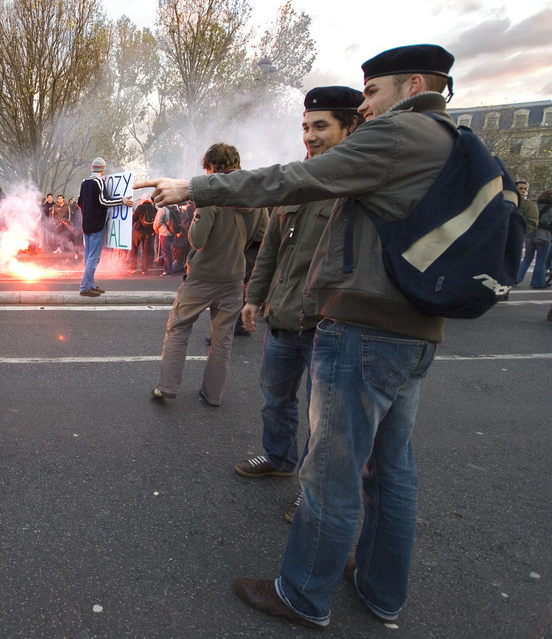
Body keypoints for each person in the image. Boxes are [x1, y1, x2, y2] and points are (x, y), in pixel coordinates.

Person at [138, 44, 466, 630]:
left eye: (371, 93)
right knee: (390, 471)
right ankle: (380, 591)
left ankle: (304, 594)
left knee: (333, 474)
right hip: (413, 328)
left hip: (366, 328)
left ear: (414, 83)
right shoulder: (450, 139)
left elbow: (291, 179)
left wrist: (196, 187)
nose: (367, 108)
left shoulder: (395, 136)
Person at [234, 86, 365, 524]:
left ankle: (312, 494)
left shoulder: (358, 183)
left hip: (330, 324)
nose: (309, 136)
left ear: (352, 126)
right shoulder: (296, 183)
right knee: (275, 397)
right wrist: (254, 298)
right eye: (306, 126)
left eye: (321, 126)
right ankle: (278, 457)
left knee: (324, 419)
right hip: (283, 318)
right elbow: (270, 247)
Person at [151, 143, 267, 406]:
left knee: (179, 327)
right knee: (222, 339)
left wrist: (194, 218)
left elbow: (197, 239)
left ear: (212, 167)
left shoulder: (213, 195)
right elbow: (262, 237)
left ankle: (167, 386)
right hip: (234, 277)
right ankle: (213, 395)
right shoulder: (254, 198)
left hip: (203, 276)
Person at [77, 157, 132, 296]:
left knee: (88, 256)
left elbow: (79, 202)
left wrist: (88, 211)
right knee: (94, 258)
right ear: (103, 168)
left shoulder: (85, 182)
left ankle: (90, 284)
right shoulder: (99, 181)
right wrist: (122, 200)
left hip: (86, 224)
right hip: (97, 224)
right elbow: (103, 200)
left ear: (92, 168)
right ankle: (85, 288)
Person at [516, 189, 552, 289]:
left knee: (527, 257)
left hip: (530, 233)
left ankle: (516, 278)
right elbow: (546, 221)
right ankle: (538, 283)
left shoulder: (534, 205)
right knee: (541, 260)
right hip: (544, 235)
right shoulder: (550, 208)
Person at [129, 194, 156, 274]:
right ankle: (144, 269)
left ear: (144, 200)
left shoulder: (140, 208)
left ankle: (133, 268)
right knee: (146, 251)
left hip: (138, 231)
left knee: (134, 249)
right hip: (149, 232)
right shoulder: (154, 209)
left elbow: (134, 218)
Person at [153, 204, 179, 276]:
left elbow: (158, 221)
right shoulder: (173, 207)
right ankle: (169, 268)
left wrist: (156, 229)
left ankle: (167, 270)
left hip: (164, 232)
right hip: (173, 232)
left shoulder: (162, 209)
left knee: (166, 252)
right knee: (170, 251)